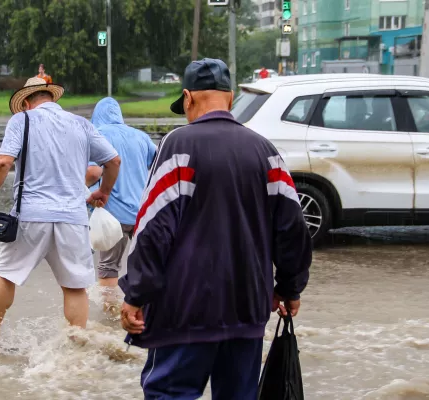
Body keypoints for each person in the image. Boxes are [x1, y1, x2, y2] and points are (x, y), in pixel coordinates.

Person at [118, 58, 312, 399]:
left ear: (188, 98)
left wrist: (136, 293)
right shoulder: (266, 152)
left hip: (185, 309)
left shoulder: (178, 146)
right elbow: (294, 228)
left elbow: (153, 228)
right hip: (248, 307)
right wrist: (289, 287)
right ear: (231, 96)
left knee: (170, 393)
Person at [0, 77, 121, 346]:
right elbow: (113, 160)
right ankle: (76, 348)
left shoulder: (22, 120)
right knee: (75, 287)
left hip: (31, 215)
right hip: (73, 219)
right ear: (52, 99)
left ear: (26, 102)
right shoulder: (81, 125)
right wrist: (103, 192)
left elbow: (3, 162)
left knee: (7, 275)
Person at [89, 97, 157, 300]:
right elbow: (159, 163)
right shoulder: (141, 137)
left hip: (111, 215)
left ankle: (110, 319)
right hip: (142, 214)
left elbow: (93, 172)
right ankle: (143, 313)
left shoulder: (97, 136)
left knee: (108, 267)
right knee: (145, 265)